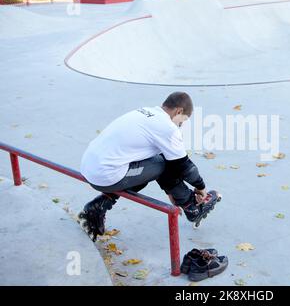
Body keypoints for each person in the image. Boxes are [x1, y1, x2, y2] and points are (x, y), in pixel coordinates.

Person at [78, 92, 221, 242]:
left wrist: (170, 189)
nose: (180, 126)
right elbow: (184, 166)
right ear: (178, 111)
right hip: (105, 175)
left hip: (89, 166)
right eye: (182, 121)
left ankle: (100, 205)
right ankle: (191, 206)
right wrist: (200, 187)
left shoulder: (145, 112)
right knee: (162, 164)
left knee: (155, 164)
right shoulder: (167, 127)